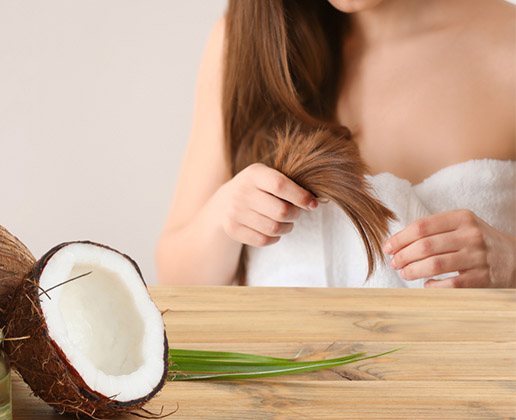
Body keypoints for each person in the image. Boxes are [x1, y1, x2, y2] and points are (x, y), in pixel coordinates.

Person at [156, 0, 515, 288]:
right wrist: (224, 216)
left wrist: (510, 262)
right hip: (280, 378)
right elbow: (174, 278)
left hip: (467, 375)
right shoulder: (248, 45)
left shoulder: (506, 41)